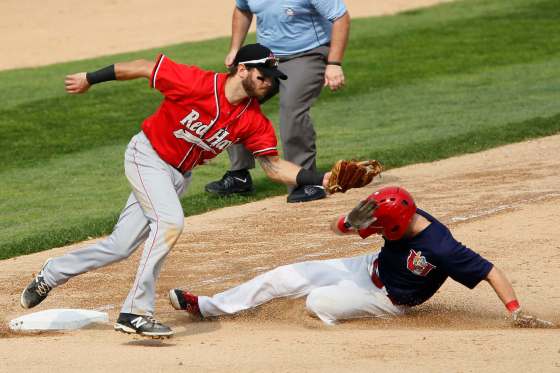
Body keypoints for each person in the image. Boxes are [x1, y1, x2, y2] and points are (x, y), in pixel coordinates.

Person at [19, 43, 332, 338]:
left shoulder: (252, 120)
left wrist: (321, 178)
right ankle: (135, 312)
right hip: (147, 156)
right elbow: (143, 67)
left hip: (178, 177)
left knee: (120, 245)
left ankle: (51, 273)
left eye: (272, 80)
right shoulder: (196, 83)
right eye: (263, 77)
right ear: (242, 70)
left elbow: (275, 167)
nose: (269, 85)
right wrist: (90, 78)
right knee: (170, 223)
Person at [169, 186, 553, 328]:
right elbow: (337, 232)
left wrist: (515, 310)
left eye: (381, 227)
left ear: (399, 223)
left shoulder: (441, 247)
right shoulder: (389, 215)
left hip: (388, 300)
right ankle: (207, 307)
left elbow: (490, 271)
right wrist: (346, 219)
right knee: (283, 276)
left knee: (317, 302)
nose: (378, 229)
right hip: (366, 268)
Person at [204, 0, 350, 203]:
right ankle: (239, 175)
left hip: (308, 53)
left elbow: (340, 17)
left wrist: (334, 63)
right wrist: (235, 48)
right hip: (268, 59)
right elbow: (242, 9)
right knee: (231, 98)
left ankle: (306, 181)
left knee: (291, 109)